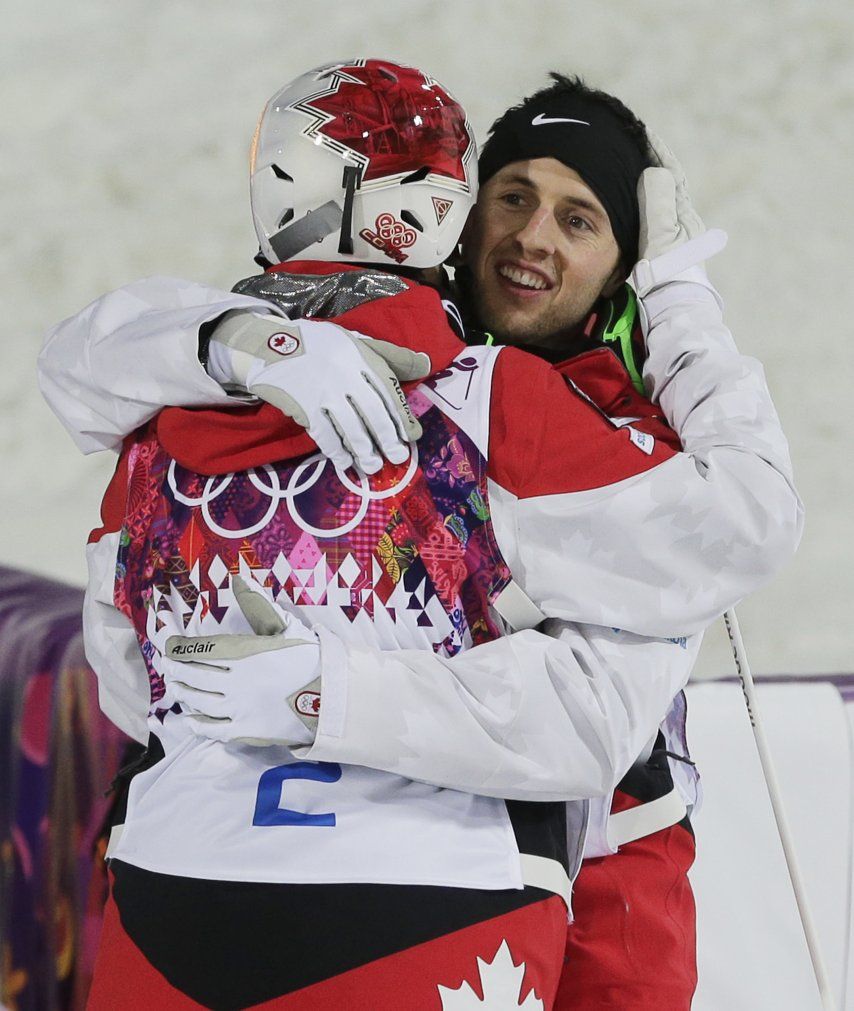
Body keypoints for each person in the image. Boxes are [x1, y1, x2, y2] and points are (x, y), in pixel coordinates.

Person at [39, 61, 802, 1009]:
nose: (532, 236)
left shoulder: (627, 425)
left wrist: (682, 299)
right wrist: (246, 341)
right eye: (512, 197)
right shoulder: (376, 374)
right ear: (457, 215)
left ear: (625, 266)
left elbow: (609, 701)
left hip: (607, 859)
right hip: (460, 885)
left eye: (579, 220)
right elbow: (84, 357)